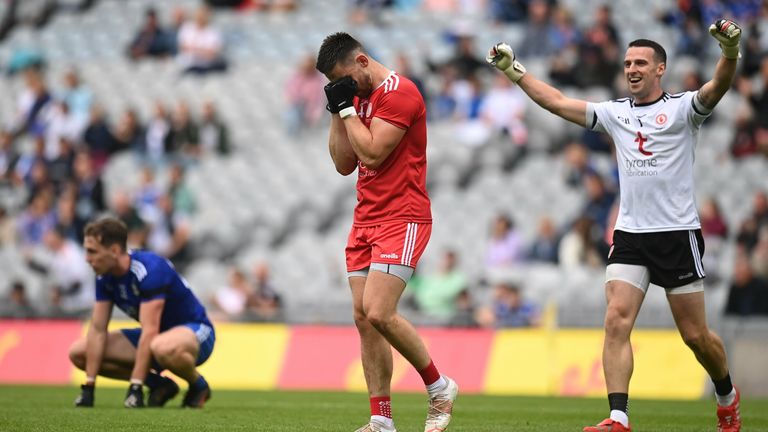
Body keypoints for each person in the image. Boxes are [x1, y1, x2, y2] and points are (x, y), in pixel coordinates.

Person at [487, 18, 743, 432]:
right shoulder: (615, 113)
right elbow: (556, 102)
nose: (632, 69)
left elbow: (719, 86)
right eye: (627, 63)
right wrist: (513, 71)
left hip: (676, 234)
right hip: (630, 236)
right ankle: (618, 417)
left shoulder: (683, 109)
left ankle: (727, 396)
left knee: (696, 336)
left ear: (660, 69)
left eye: (641, 63)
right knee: (616, 320)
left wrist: (730, 50)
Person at [316, 32, 458, 432]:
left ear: (362, 61)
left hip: (403, 217)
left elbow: (374, 153)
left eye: (344, 78)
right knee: (363, 318)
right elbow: (344, 164)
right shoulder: (354, 99)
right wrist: (337, 109)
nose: (344, 87)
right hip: (365, 217)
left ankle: (440, 387)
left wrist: (346, 109)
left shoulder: (400, 93)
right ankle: (381, 420)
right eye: (335, 83)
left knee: (379, 310)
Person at [68, 217, 214, 409]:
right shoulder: (104, 277)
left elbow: (150, 330)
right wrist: (89, 386)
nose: (87, 259)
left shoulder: (149, 269)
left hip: (196, 331)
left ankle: (199, 385)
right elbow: (97, 329)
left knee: (162, 346)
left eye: (92, 251)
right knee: (79, 353)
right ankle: (159, 384)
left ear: (114, 251)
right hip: (155, 336)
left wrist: (135, 387)